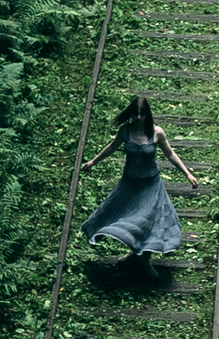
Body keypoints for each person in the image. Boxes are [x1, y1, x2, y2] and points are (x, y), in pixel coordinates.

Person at [85, 95, 200, 270]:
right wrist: (94, 161)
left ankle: (144, 259)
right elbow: (112, 147)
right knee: (126, 218)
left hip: (150, 185)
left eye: (142, 114)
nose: (139, 118)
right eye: (136, 114)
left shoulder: (156, 132)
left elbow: (170, 154)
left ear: (148, 114)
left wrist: (187, 174)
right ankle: (136, 253)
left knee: (148, 220)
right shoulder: (125, 131)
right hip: (129, 184)